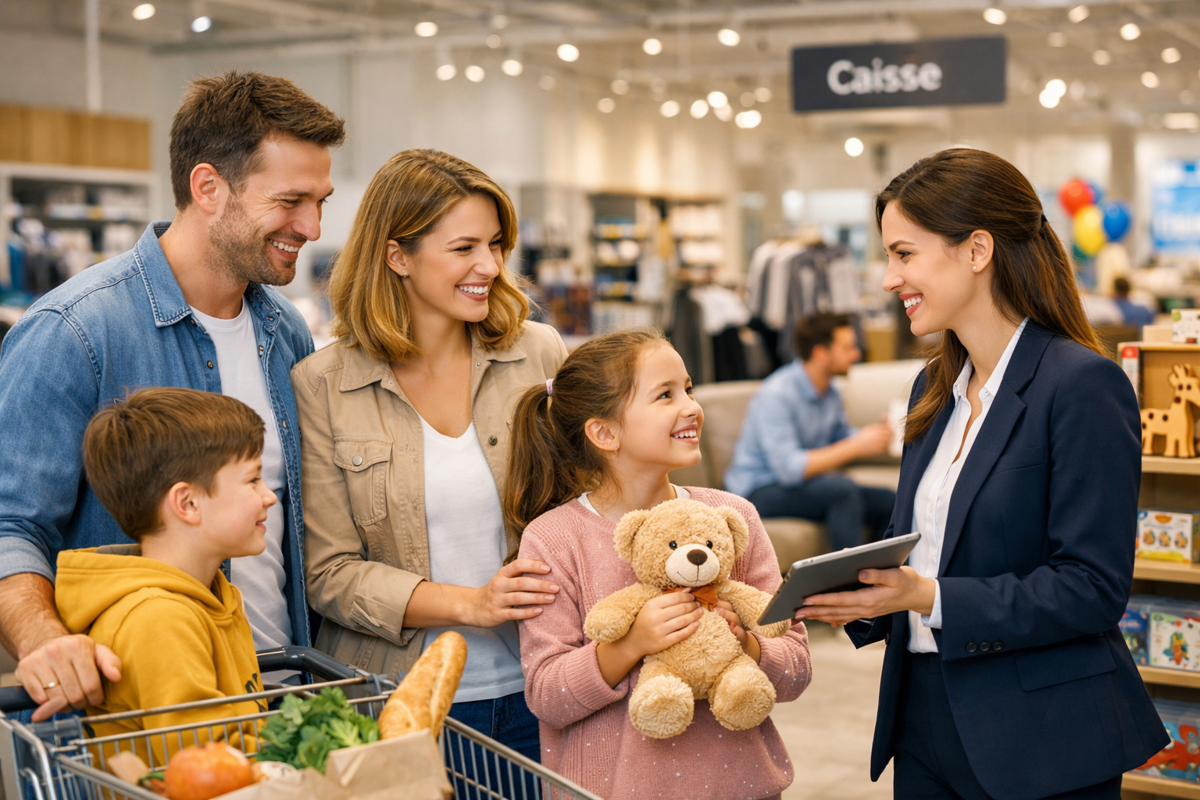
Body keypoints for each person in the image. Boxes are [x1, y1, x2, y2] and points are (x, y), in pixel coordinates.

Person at [795, 149, 1166, 800]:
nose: (888, 279)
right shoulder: (931, 391)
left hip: (1041, 736)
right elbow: (916, 542)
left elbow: (1091, 587)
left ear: (976, 250)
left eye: (903, 254)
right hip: (922, 720)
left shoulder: (1081, 385)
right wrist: (844, 595)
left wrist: (923, 596)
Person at [0, 70, 344, 722]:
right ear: (208, 187)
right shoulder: (74, 332)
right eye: (292, 200)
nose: (314, 226)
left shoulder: (285, 331)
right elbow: (9, 522)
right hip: (135, 721)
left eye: (320, 201)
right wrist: (42, 639)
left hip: (271, 693)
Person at [292, 149, 567, 765]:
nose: (489, 267)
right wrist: (471, 603)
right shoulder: (324, 384)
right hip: (400, 705)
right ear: (398, 256)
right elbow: (328, 573)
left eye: (496, 245)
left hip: (544, 689)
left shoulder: (538, 354)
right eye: (464, 247)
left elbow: (589, 505)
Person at [507, 329, 811, 800]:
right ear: (605, 433)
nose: (690, 405)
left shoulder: (733, 519)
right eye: (665, 395)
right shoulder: (553, 539)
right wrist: (630, 644)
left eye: (687, 388)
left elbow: (796, 668)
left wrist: (746, 643)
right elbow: (548, 696)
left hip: (742, 788)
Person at [45, 388, 274, 763]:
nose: (269, 496)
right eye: (252, 480)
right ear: (187, 503)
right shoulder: (160, 619)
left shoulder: (214, 593)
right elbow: (208, 762)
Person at [725, 312, 896, 551]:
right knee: (841, 490)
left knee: (890, 501)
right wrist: (856, 446)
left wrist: (874, 434)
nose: (857, 354)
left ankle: (878, 573)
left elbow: (840, 436)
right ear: (820, 354)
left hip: (803, 485)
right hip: (757, 489)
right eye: (847, 348)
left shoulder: (831, 391)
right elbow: (788, 469)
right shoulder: (777, 395)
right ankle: (850, 583)